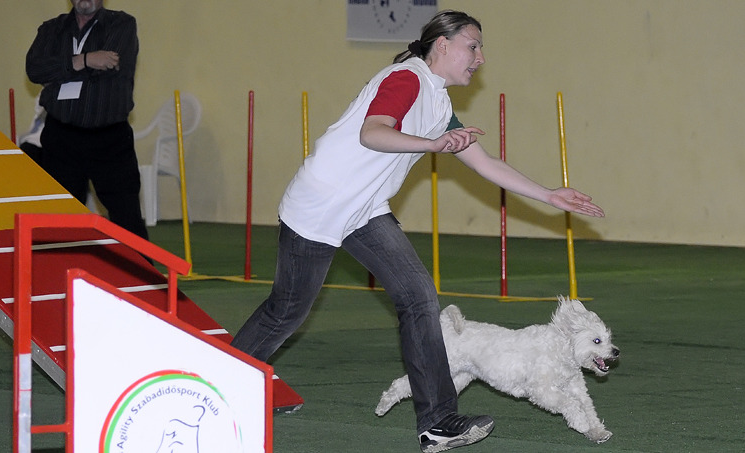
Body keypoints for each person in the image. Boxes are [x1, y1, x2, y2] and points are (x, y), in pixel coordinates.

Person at [230, 10, 604, 452]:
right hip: (319, 206)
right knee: (285, 312)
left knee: (419, 297)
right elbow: (373, 133)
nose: (480, 58)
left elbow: (484, 163)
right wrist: (432, 145)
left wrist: (549, 195)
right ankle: (224, 382)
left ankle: (438, 423)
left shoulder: (439, 103)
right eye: (473, 46)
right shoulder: (406, 79)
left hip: (363, 210)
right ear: (442, 45)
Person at [25, 0, 148, 241]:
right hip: (61, 138)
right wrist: (85, 60)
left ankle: (140, 267)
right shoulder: (51, 29)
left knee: (127, 218)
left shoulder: (121, 24)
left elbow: (110, 69)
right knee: (59, 221)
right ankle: (62, 266)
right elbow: (35, 69)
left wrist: (59, 71)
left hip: (110, 139)